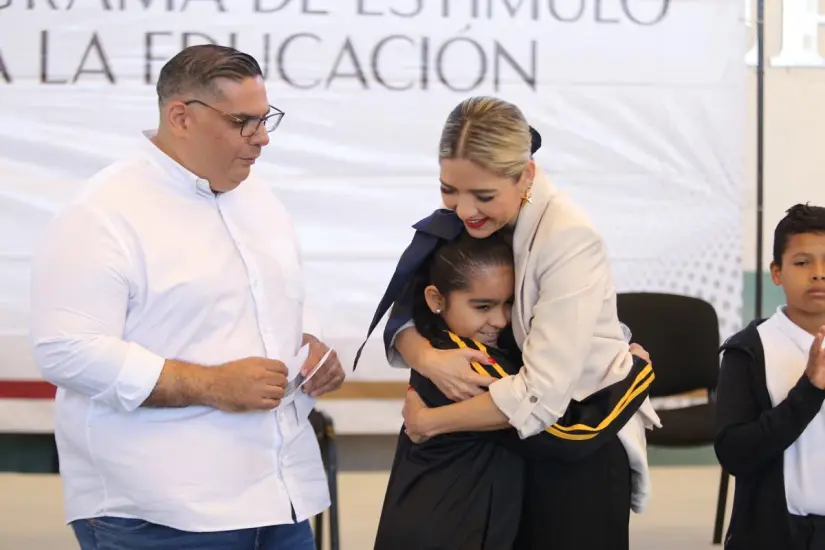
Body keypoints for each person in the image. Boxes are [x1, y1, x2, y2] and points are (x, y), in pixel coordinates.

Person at [28, 44, 345, 550]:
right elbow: (66, 349)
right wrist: (211, 384)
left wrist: (311, 348)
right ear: (181, 116)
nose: (261, 138)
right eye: (243, 121)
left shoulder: (258, 196)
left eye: (266, 120)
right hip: (159, 512)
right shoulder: (102, 211)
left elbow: (278, 303)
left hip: (279, 497)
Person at [358, 96, 660, 550]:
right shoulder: (466, 222)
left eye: (483, 196)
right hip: (502, 444)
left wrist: (432, 422)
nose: (463, 210)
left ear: (526, 177)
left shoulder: (568, 239)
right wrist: (429, 358)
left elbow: (541, 398)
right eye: (449, 190)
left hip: (575, 441)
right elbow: (407, 309)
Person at [372, 230, 655, 549]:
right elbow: (571, 433)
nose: (499, 320)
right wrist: (636, 374)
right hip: (451, 532)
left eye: (509, 304)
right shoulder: (467, 368)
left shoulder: (442, 342)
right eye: (482, 307)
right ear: (436, 299)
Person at [715, 203, 825, 550]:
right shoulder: (749, 350)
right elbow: (735, 453)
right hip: (777, 534)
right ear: (776, 272)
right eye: (802, 262)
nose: (819, 273)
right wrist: (809, 390)